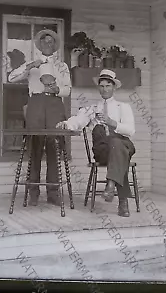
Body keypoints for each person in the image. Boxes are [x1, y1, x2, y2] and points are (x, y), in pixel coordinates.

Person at [56, 69, 135, 217]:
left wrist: (112, 123)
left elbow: (130, 131)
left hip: (123, 145)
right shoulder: (93, 109)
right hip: (104, 151)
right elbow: (78, 121)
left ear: (114, 87)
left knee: (118, 145)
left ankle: (111, 184)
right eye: (102, 86)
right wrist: (66, 124)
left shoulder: (123, 107)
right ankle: (120, 199)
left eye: (108, 86)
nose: (105, 89)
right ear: (99, 88)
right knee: (108, 140)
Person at [8, 29, 71, 206]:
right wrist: (29, 66)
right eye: (44, 41)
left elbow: (68, 89)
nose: (48, 44)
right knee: (35, 146)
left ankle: (53, 192)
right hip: (35, 103)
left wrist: (57, 89)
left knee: (53, 146)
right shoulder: (32, 63)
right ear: (39, 44)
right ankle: (33, 192)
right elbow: (11, 78)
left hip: (54, 104)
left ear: (55, 45)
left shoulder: (62, 66)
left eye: (51, 42)